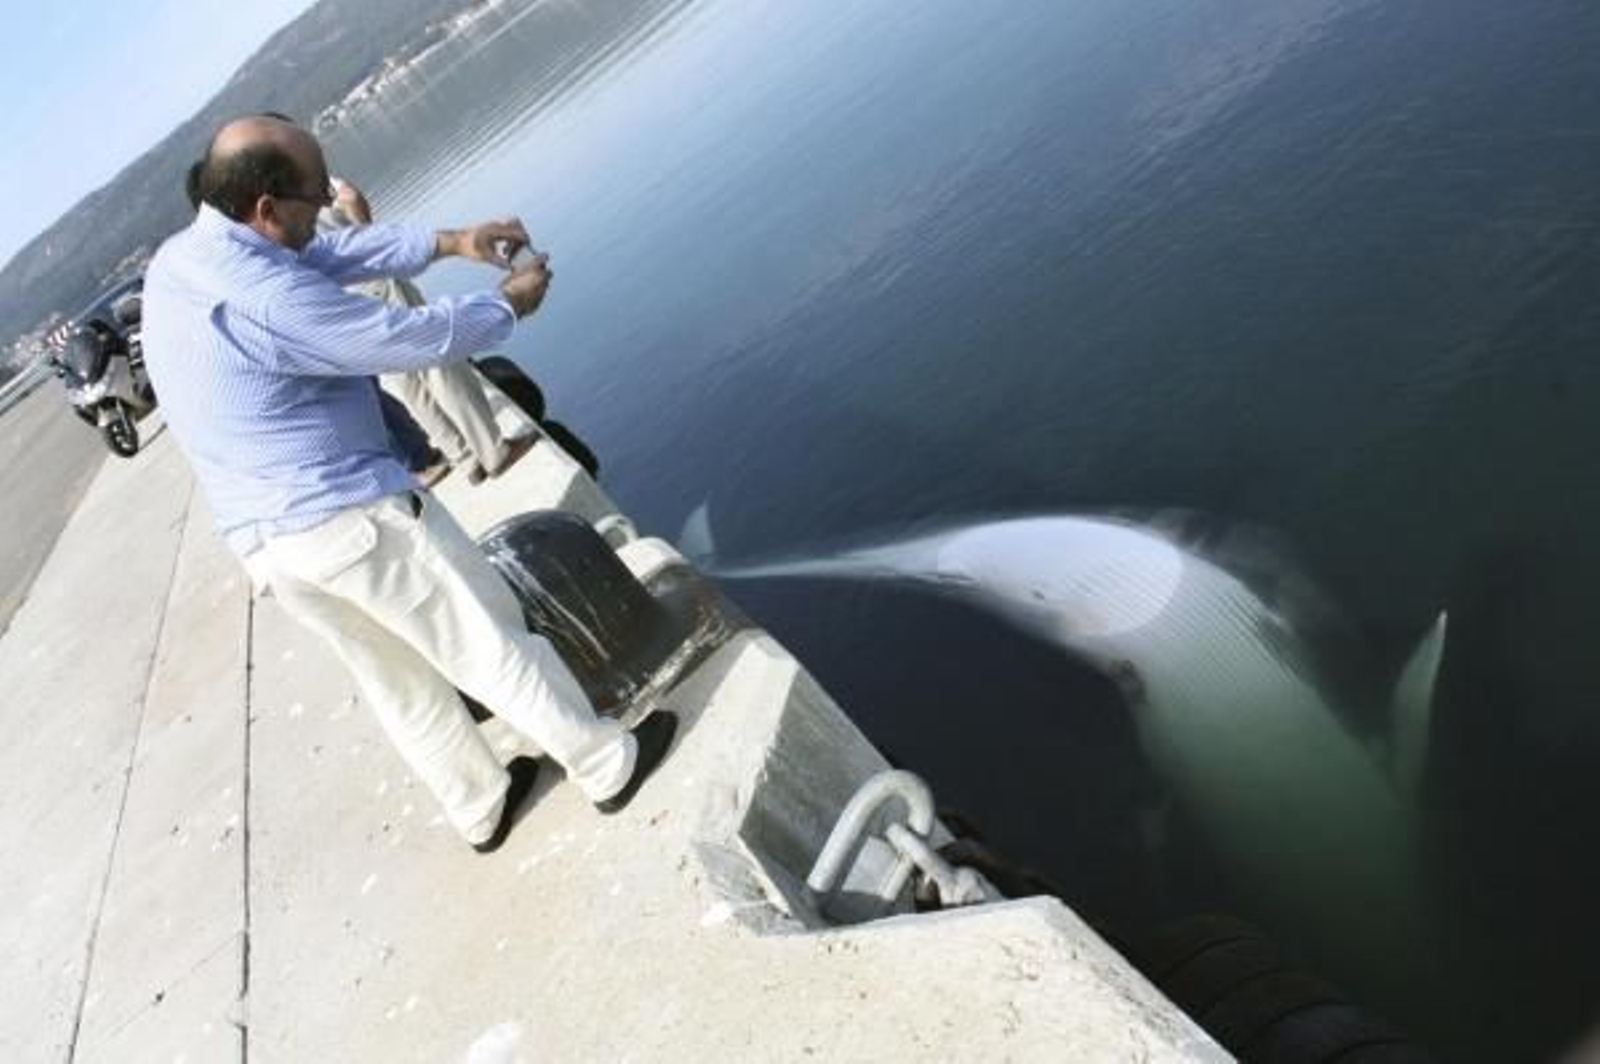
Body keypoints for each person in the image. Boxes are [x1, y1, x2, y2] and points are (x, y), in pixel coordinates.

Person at [143, 115, 676, 852]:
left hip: (270, 547)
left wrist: (452, 242)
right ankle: (605, 762)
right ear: (265, 207)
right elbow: (409, 340)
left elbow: (330, 250)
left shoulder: (184, 262)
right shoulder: (268, 297)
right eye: (311, 193)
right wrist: (509, 302)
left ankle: (479, 805)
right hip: (350, 519)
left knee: (396, 681)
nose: (323, 204)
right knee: (486, 636)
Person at [323, 178, 539, 485]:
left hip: (341, 301)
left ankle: (464, 459)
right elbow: (353, 200)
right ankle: (495, 452)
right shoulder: (308, 178)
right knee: (440, 363)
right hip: (372, 280)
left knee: (402, 378)